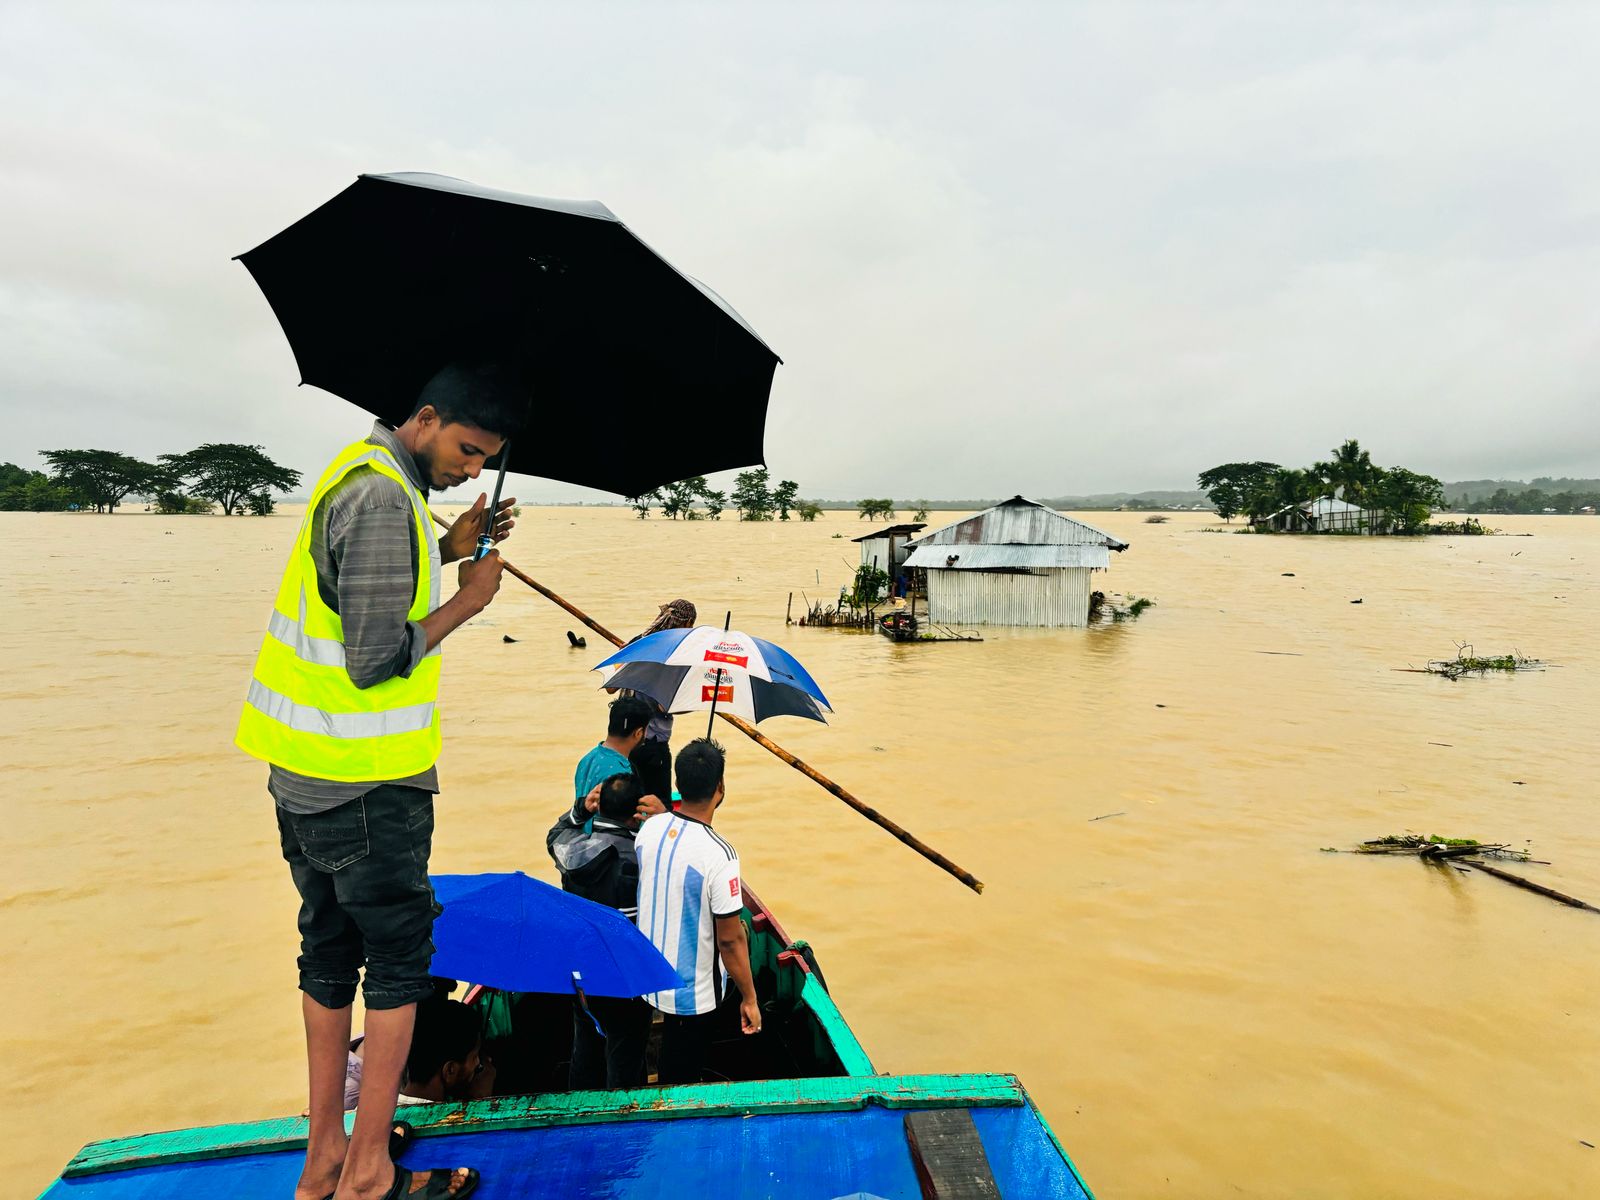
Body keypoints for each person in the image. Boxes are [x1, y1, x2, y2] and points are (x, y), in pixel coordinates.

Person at [236, 360, 524, 1200]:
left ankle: (324, 1155)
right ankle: (365, 1172)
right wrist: (468, 598)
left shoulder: (361, 476)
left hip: (304, 773)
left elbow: (358, 593)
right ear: (426, 418)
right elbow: (371, 659)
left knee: (326, 950)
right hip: (365, 781)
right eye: (468, 450)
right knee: (400, 964)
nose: (472, 471)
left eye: (484, 460)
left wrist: (448, 547)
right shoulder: (382, 498)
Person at [634, 738, 761, 1084]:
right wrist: (749, 998)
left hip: (647, 977)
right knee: (681, 1078)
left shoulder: (649, 829)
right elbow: (731, 941)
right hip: (691, 995)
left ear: (677, 784)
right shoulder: (720, 855)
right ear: (720, 787)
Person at [547, 772, 652, 1089]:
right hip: (624, 979)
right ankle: (624, 1118)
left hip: (581, 974)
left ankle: (579, 1107)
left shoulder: (573, 852)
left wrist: (580, 810)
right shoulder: (641, 859)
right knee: (626, 1055)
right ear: (636, 815)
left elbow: (555, 835)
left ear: (599, 807)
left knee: (585, 1049)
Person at [346, 983, 493, 1110]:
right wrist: (481, 1104)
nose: (478, 1064)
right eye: (474, 1058)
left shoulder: (364, 1114)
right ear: (450, 1070)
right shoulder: (454, 1128)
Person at [621, 599, 697, 800]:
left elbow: (612, 687)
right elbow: (665, 705)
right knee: (660, 807)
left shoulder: (640, 643)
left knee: (629, 802)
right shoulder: (675, 658)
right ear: (687, 624)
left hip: (624, 741)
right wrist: (696, 703)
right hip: (653, 745)